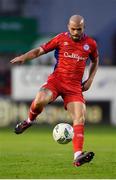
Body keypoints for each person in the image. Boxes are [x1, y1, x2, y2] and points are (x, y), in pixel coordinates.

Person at [10, 14, 99, 167]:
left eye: (79, 29)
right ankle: (29, 121)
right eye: (73, 29)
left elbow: (95, 60)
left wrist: (90, 79)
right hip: (56, 81)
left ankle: (78, 156)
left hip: (74, 88)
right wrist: (24, 57)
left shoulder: (90, 44)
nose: (76, 32)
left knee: (80, 117)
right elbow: (39, 51)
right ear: (68, 27)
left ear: (84, 28)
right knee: (39, 101)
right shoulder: (60, 39)